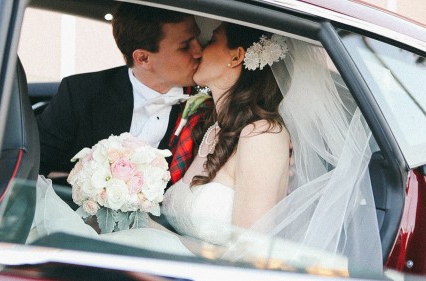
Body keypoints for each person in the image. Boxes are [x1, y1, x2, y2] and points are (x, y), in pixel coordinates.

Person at [30, 21, 383, 277]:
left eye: (211, 39)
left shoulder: (262, 135)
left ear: (236, 57)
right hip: (164, 260)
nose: (199, 49)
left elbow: (247, 254)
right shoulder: (217, 127)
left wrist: (156, 235)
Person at [36, 3, 202, 180]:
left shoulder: (206, 104)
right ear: (143, 58)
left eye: (198, 39)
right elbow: (33, 163)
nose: (199, 51)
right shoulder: (81, 93)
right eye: (185, 46)